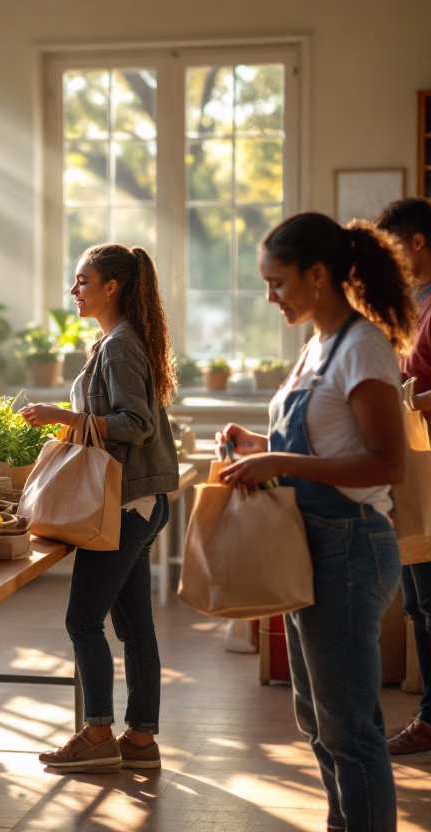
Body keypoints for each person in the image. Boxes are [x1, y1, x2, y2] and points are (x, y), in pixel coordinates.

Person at [219, 212, 414, 831]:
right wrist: (256, 442)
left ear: (318, 273)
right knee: (317, 718)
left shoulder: (362, 348)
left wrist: (279, 459)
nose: (270, 296)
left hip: (350, 548)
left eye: (277, 283)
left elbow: (388, 464)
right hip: (313, 546)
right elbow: (328, 440)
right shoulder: (317, 346)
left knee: (350, 727)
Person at [20, 243, 179, 774]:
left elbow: (136, 425)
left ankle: (97, 732)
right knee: (135, 630)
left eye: (82, 280)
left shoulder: (118, 346)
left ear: (111, 287)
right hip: (139, 500)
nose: (74, 290)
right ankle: (139, 740)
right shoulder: (117, 341)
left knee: (83, 621)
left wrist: (58, 416)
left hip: (126, 503)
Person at [376, 196, 431, 755]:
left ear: (416, 241)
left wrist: (407, 400)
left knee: (430, 600)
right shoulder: (413, 304)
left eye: (395, 247)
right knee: (417, 602)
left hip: (429, 472)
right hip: (413, 469)